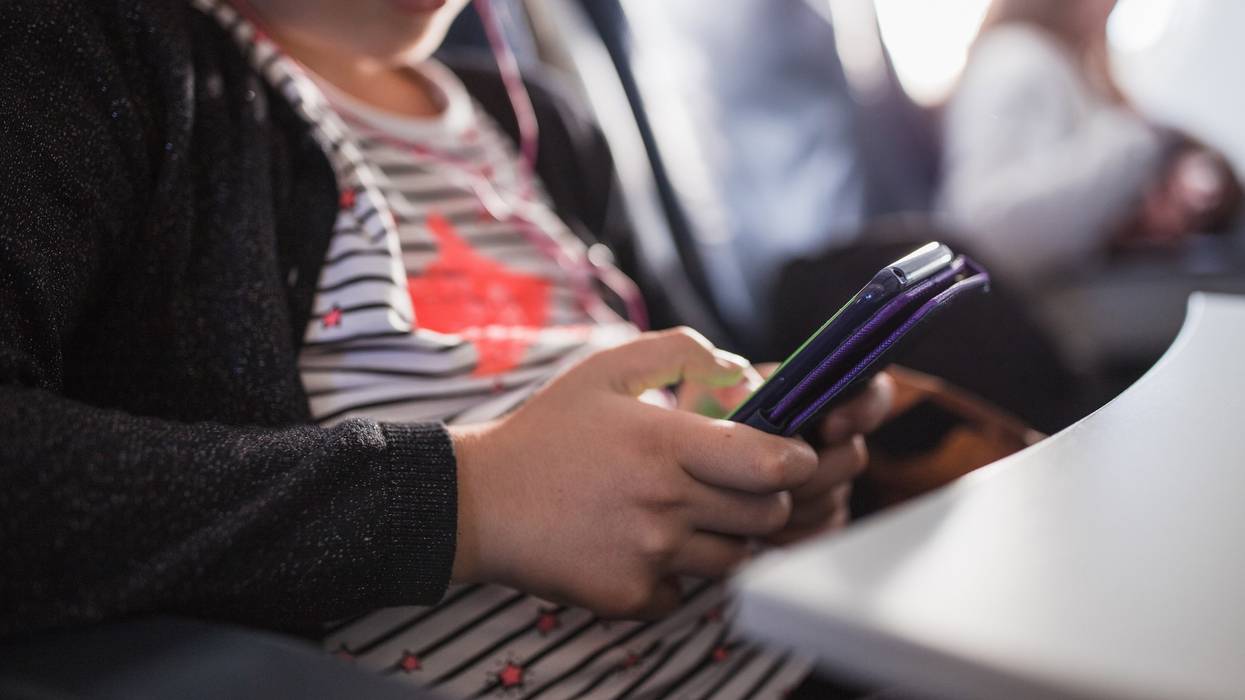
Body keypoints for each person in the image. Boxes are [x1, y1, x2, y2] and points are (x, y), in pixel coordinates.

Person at [0, 0, 891, 696]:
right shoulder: (96, 54)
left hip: (787, 661)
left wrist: (742, 472)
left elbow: (682, 368)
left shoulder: (542, 123)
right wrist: (472, 498)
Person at [938, 0, 1241, 286]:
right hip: (1039, 305)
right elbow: (988, 229)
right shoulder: (1018, 57)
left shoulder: (1077, 70)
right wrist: (1134, 147)